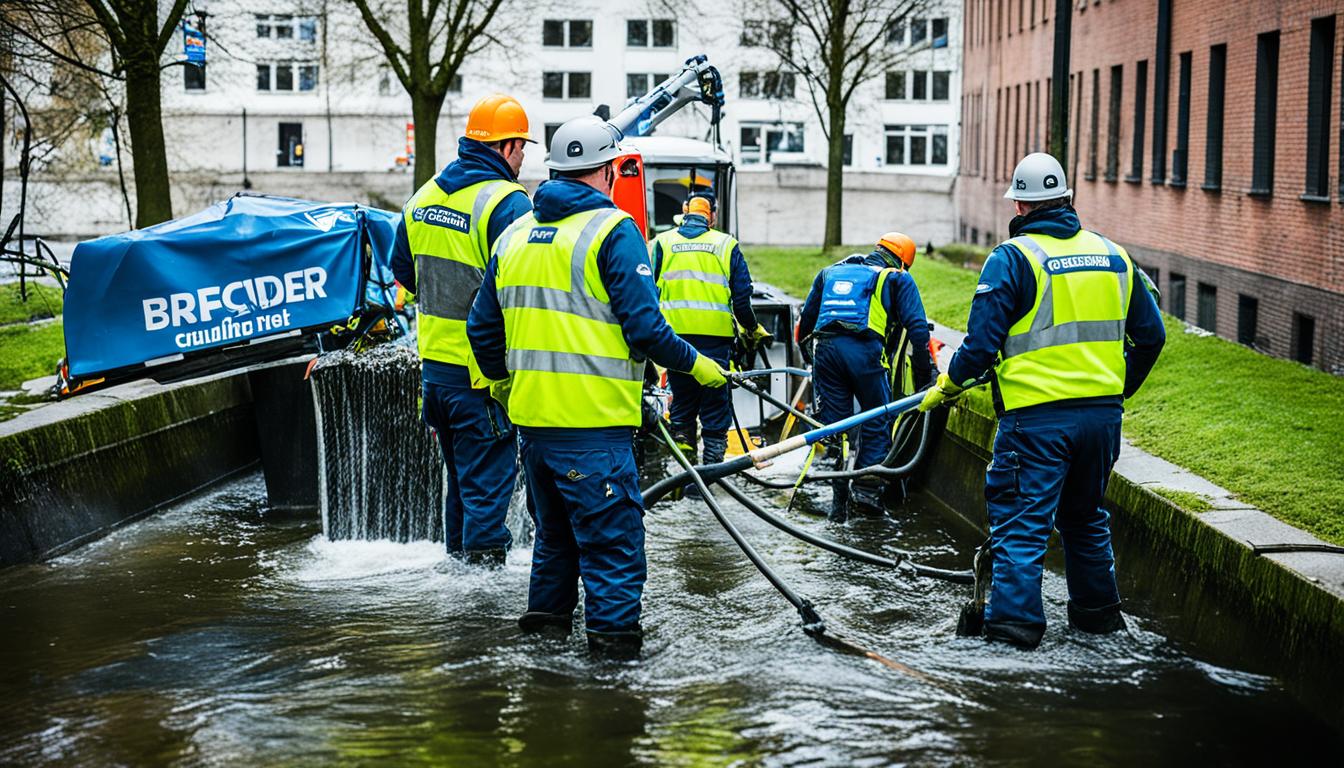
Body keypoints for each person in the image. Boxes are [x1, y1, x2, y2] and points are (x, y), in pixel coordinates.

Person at [466, 116, 727, 658]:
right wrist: (697, 364)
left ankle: (544, 662)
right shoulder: (614, 231)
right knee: (612, 553)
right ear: (609, 169)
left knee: (554, 545)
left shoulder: (514, 235)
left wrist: (499, 383)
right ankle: (613, 682)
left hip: (534, 430)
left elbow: (481, 329)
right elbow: (646, 330)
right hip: (595, 431)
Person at [919, 152, 1165, 649]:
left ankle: (1012, 640)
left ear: (1021, 206)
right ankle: (1099, 625)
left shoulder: (1013, 258)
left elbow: (981, 345)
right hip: (1100, 422)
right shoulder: (1114, 255)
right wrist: (1115, 393)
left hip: (1034, 424)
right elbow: (1152, 336)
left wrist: (947, 384)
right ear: (1067, 199)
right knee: (1086, 519)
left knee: (1021, 527)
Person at [390, 93, 534, 566]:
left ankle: (455, 582)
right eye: (522, 148)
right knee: (487, 496)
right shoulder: (506, 202)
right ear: (507, 146)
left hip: (435, 375)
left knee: (461, 487)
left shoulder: (422, 198)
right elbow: (524, 287)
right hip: (482, 377)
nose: (523, 158)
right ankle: (481, 603)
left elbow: (405, 276)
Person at [797, 233, 937, 520]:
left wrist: (808, 356)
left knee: (834, 428)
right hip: (864, 353)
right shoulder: (897, 278)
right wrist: (926, 377)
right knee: (876, 419)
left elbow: (806, 321)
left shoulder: (830, 272)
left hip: (825, 350)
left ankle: (837, 505)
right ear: (902, 261)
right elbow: (919, 330)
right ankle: (865, 493)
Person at [651, 193, 769, 477]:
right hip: (715, 344)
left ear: (684, 211)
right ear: (712, 216)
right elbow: (742, 299)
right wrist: (751, 329)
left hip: (675, 343)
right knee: (715, 410)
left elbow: (646, 292)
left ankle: (684, 474)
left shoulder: (662, 244)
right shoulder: (726, 245)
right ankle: (711, 478)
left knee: (682, 405)